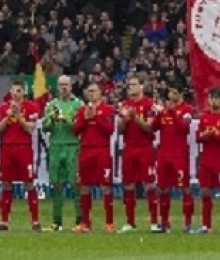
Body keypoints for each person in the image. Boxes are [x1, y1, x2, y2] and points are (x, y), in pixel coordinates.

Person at [0, 80, 41, 231]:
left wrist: (19, 116)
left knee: (29, 183)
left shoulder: (32, 107)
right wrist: (8, 117)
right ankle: (4, 221)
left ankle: (35, 221)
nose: (15, 94)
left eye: (19, 91)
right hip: (7, 149)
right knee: (6, 183)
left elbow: (30, 129)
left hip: (24, 149)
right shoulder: (3, 107)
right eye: (13, 91)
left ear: (24, 92)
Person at [72, 82, 116, 233]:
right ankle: (86, 223)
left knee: (105, 186)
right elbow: (75, 130)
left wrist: (96, 117)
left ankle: (109, 222)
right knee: (84, 186)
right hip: (85, 151)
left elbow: (110, 130)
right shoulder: (82, 110)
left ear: (100, 93)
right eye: (89, 91)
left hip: (101, 151)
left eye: (94, 91)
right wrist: (85, 119)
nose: (91, 94)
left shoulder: (108, 109)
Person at [117, 73, 158, 233]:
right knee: (128, 185)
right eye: (129, 85)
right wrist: (124, 119)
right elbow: (119, 129)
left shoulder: (149, 105)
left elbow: (150, 128)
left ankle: (154, 222)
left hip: (145, 148)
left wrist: (135, 118)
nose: (131, 88)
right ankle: (130, 222)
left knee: (149, 184)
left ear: (141, 86)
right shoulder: (125, 105)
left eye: (134, 84)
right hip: (129, 148)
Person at [42, 74, 84, 231]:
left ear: (71, 86)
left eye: (66, 84)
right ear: (57, 87)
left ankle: (80, 220)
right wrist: (52, 119)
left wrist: (68, 120)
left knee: (76, 184)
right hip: (55, 146)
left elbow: (81, 125)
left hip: (72, 146)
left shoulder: (78, 104)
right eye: (61, 85)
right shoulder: (51, 105)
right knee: (56, 184)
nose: (64, 88)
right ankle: (57, 221)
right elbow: (45, 127)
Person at [150, 86, 194, 233]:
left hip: (179, 154)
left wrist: (172, 112)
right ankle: (164, 222)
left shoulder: (187, 109)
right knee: (163, 188)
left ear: (181, 94)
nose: (171, 95)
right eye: (170, 92)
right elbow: (153, 128)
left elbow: (184, 128)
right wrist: (158, 114)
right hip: (163, 154)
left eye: (174, 92)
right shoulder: (164, 110)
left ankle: (187, 223)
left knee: (184, 188)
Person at [195, 87, 220, 234]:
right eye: (211, 98)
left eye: (216, 98)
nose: (213, 101)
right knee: (205, 192)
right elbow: (197, 137)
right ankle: (206, 225)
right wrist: (204, 135)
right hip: (206, 161)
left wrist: (214, 135)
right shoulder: (204, 117)